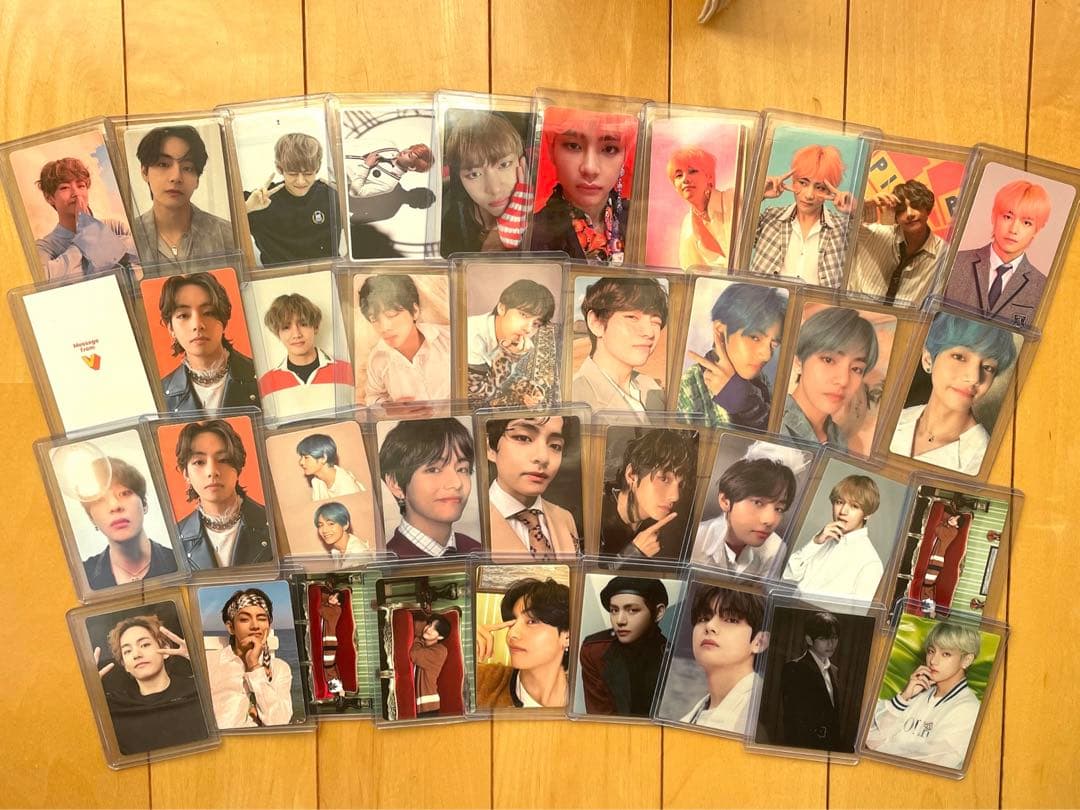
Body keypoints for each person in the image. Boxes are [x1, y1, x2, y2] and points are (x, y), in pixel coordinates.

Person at [889, 312, 1018, 476]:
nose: (974, 378)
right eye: (959, 357)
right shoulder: (893, 419)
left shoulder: (983, 460)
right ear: (928, 359)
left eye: (988, 367)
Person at [866, 621, 982, 769]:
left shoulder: (969, 709)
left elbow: (931, 764)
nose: (933, 661)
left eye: (946, 654)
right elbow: (870, 738)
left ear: (966, 660)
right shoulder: (918, 692)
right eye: (931, 651)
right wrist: (903, 698)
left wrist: (883, 747)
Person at [529, 108, 635, 264]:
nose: (590, 168)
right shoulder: (532, 235)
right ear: (552, 150)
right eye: (573, 146)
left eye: (609, 149)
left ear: (625, 155)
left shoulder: (641, 221)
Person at [677, 282, 787, 429]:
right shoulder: (688, 387)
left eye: (773, 344)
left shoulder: (762, 382)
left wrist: (747, 405)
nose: (767, 356)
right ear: (720, 331)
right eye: (754, 338)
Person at [943, 179, 1052, 327]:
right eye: (1008, 217)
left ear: (1037, 230)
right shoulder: (954, 262)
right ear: (994, 217)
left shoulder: (1042, 287)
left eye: (1027, 222)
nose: (1014, 229)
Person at [95, 614, 208, 755]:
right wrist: (86, 695)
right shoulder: (113, 707)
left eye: (145, 645)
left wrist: (202, 661)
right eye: (127, 651)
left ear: (165, 650)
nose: (136, 654)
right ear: (124, 664)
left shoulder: (199, 689)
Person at [173, 419, 272, 569]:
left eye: (223, 459)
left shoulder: (272, 522)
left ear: (238, 467)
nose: (212, 471)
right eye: (199, 462)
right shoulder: (175, 537)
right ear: (185, 473)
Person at [749, 144, 853, 287]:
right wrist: (758, 194)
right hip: (764, 301)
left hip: (816, 303)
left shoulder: (842, 229)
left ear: (830, 191)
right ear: (793, 180)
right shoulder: (770, 217)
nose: (809, 195)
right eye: (803, 183)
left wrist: (855, 210)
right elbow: (731, 235)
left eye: (820, 187)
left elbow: (876, 240)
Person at [379, 418, 482, 558]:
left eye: (462, 469)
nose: (456, 483)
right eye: (434, 470)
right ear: (395, 483)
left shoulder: (477, 551)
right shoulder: (388, 562)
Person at [157, 272, 259, 412]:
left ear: (223, 319)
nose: (197, 325)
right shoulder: (160, 394)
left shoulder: (260, 374)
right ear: (170, 328)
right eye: (183, 315)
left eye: (208, 313)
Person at [131, 125, 234, 264]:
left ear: (197, 179)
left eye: (187, 168)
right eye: (163, 164)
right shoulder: (128, 239)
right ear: (144, 172)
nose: (176, 177)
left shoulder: (227, 234)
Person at [692, 447, 799, 578]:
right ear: (725, 501)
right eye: (758, 502)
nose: (770, 520)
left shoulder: (775, 548)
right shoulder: (696, 539)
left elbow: (764, 590)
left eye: (779, 509)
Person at [782, 306, 880, 449]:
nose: (844, 381)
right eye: (828, 360)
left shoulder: (839, 440)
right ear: (798, 361)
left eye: (856, 369)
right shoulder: (768, 422)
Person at [484, 416, 580, 559]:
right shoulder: (474, 524)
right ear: (489, 448)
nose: (543, 458)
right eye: (523, 438)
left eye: (555, 446)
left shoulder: (565, 518)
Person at [572, 276, 668, 416]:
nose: (649, 332)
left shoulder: (653, 389)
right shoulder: (574, 399)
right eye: (632, 317)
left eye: (656, 321)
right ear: (596, 323)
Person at [79, 456, 178, 589]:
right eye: (99, 499)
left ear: (144, 503)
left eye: (124, 493)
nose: (115, 506)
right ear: (91, 518)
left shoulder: (180, 562)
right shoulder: (81, 578)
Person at [679, 586, 768, 734]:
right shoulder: (693, 715)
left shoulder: (763, 710)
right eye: (703, 618)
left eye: (731, 619)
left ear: (759, 642)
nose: (710, 626)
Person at [441, 111, 531, 255]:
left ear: (522, 162)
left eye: (504, 165)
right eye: (474, 174)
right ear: (459, 180)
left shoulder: (548, 217)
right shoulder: (450, 222)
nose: (494, 189)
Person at [782, 475, 885, 601]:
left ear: (867, 514)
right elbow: (788, 576)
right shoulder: (823, 537)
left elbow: (858, 612)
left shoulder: (870, 562)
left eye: (854, 506)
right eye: (839, 502)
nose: (843, 511)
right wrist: (815, 543)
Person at [33, 157, 139, 279]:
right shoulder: (45, 247)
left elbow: (142, 254)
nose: (76, 193)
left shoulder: (115, 227)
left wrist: (90, 230)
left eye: (81, 186)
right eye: (65, 188)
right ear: (49, 198)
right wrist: (87, 236)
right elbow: (48, 279)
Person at [600, 429, 697, 561]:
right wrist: (633, 553)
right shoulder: (595, 519)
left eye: (680, 485)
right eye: (664, 479)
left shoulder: (670, 527)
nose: (675, 496)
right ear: (631, 475)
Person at [579, 577, 670, 717]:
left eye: (632, 610)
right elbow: (601, 718)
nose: (620, 621)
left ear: (658, 613)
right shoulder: (594, 651)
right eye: (614, 610)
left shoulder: (674, 658)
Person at [244, 133, 339, 266]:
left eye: (308, 173)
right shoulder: (258, 201)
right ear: (279, 168)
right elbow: (220, 229)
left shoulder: (331, 194)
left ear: (317, 168)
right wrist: (247, 208)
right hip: (279, 277)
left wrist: (349, 198)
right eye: (292, 173)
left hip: (329, 273)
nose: (301, 181)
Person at [475, 577, 571, 708]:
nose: (511, 634)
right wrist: (457, 649)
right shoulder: (481, 681)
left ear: (567, 637)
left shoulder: (589, 697)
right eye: (513, 622)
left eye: (532, 621)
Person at [205, 588, 294, 728]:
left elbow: (279, 722)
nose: (255, 626)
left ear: (269, 626)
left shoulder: (279, 668)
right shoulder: (209, 663)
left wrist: (254, 666)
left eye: (262, 619)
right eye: (245, 619)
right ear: (231, 627)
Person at [848, 180, 945, 306]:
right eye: (901, 209)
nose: (909, 214)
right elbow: (846, 227)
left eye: (916, 206)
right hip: (856, 312)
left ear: (927, 210)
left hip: (904, 318)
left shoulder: (943, 252)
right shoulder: (878, 234)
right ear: (896, 217)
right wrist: (867, 204)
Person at [358, 274, 450, 404]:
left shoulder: (448, 339)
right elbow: (373, 396)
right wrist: (388, 409)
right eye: (374, 319)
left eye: (392, 314)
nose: (384, 327)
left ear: (415, 311)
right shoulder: (378, 359)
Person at [467, 279, 557, 407]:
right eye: (524, 315)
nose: (528, 329)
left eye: (536, 323)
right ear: (501, 308)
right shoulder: (472, 338)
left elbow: (504, 375)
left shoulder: (508, 335)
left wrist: (527, 389)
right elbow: (478, 398)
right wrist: (509, 357)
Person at [258, 293, 352, 397]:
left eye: (303, 324)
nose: (296, 334)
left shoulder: (347, 372)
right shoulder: (267, 383)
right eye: (286, 327)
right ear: (278, 333)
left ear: (315, 327)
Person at [780, 611, 842, 750]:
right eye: (823, 638)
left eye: (834, 638)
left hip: (831, 747)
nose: (830, 643)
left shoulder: (834, 670)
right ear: (809, 640)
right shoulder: (795, 668)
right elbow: (792, 719)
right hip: (805, 747)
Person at [667, 146, 736, 269]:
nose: (685, 179)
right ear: (675, 187)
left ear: (709, 177)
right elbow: (689, 272)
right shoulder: (687, 225)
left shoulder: (732, 198)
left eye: (692, 171)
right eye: (679, 175)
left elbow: (755, 193)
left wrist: (762, 189)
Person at [295, 433, 366, 500]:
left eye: (306, 458)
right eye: (301, 457)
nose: (301, 462)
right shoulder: (316, 481)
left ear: (323, 458)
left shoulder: (347, 488)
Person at [409, 613, 452, 716]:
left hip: (429, 708)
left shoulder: (440, 651)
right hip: (420, 706)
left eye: (434, 629)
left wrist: (419, 638)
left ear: (440, 636)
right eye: (429, 624)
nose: (428, 629)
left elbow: (414, 654)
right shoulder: (425, 646)